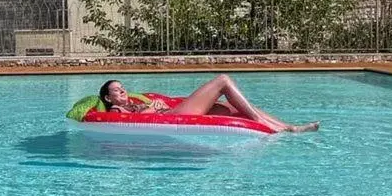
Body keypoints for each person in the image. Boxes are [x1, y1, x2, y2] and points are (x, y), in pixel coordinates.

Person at [98, 77, 319, 133]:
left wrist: (152, 105)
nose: (123, 90)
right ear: (109, 98)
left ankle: (289, 127)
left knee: (230, 107)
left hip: (172, 110)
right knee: (223, 80)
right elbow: (133, 123)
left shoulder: (135, 101)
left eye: (122, 87)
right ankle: (266, 125)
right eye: (117, 90)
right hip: (175, 115)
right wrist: (151, 109)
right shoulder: (117, 110)